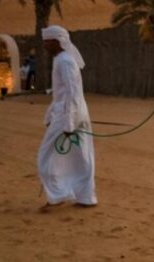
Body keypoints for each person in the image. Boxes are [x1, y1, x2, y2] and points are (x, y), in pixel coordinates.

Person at [37, 25, 97, 211]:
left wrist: (69, 122)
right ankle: (86, 197)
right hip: (70, 113)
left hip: (69, 115)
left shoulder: (65, 61)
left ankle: (57, 196)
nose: (45, 45)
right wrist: (51, 114)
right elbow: (60, 94)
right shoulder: (61, 60)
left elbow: (72, 93)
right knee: (81, 156)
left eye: (48, 41)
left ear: (58, 41)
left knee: (46, 156)